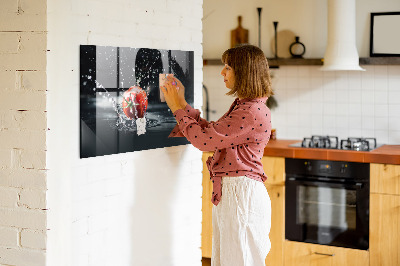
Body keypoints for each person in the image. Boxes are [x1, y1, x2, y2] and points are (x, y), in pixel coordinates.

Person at [161, 44, 273, 266]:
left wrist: (176, 108)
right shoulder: (246, 106)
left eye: (228, 67)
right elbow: (212, 133)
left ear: (244, 72)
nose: (222, 72)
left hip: (241, 195)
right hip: (236, 193)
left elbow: (204, 141)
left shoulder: (250, 111)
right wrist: (182, 103)